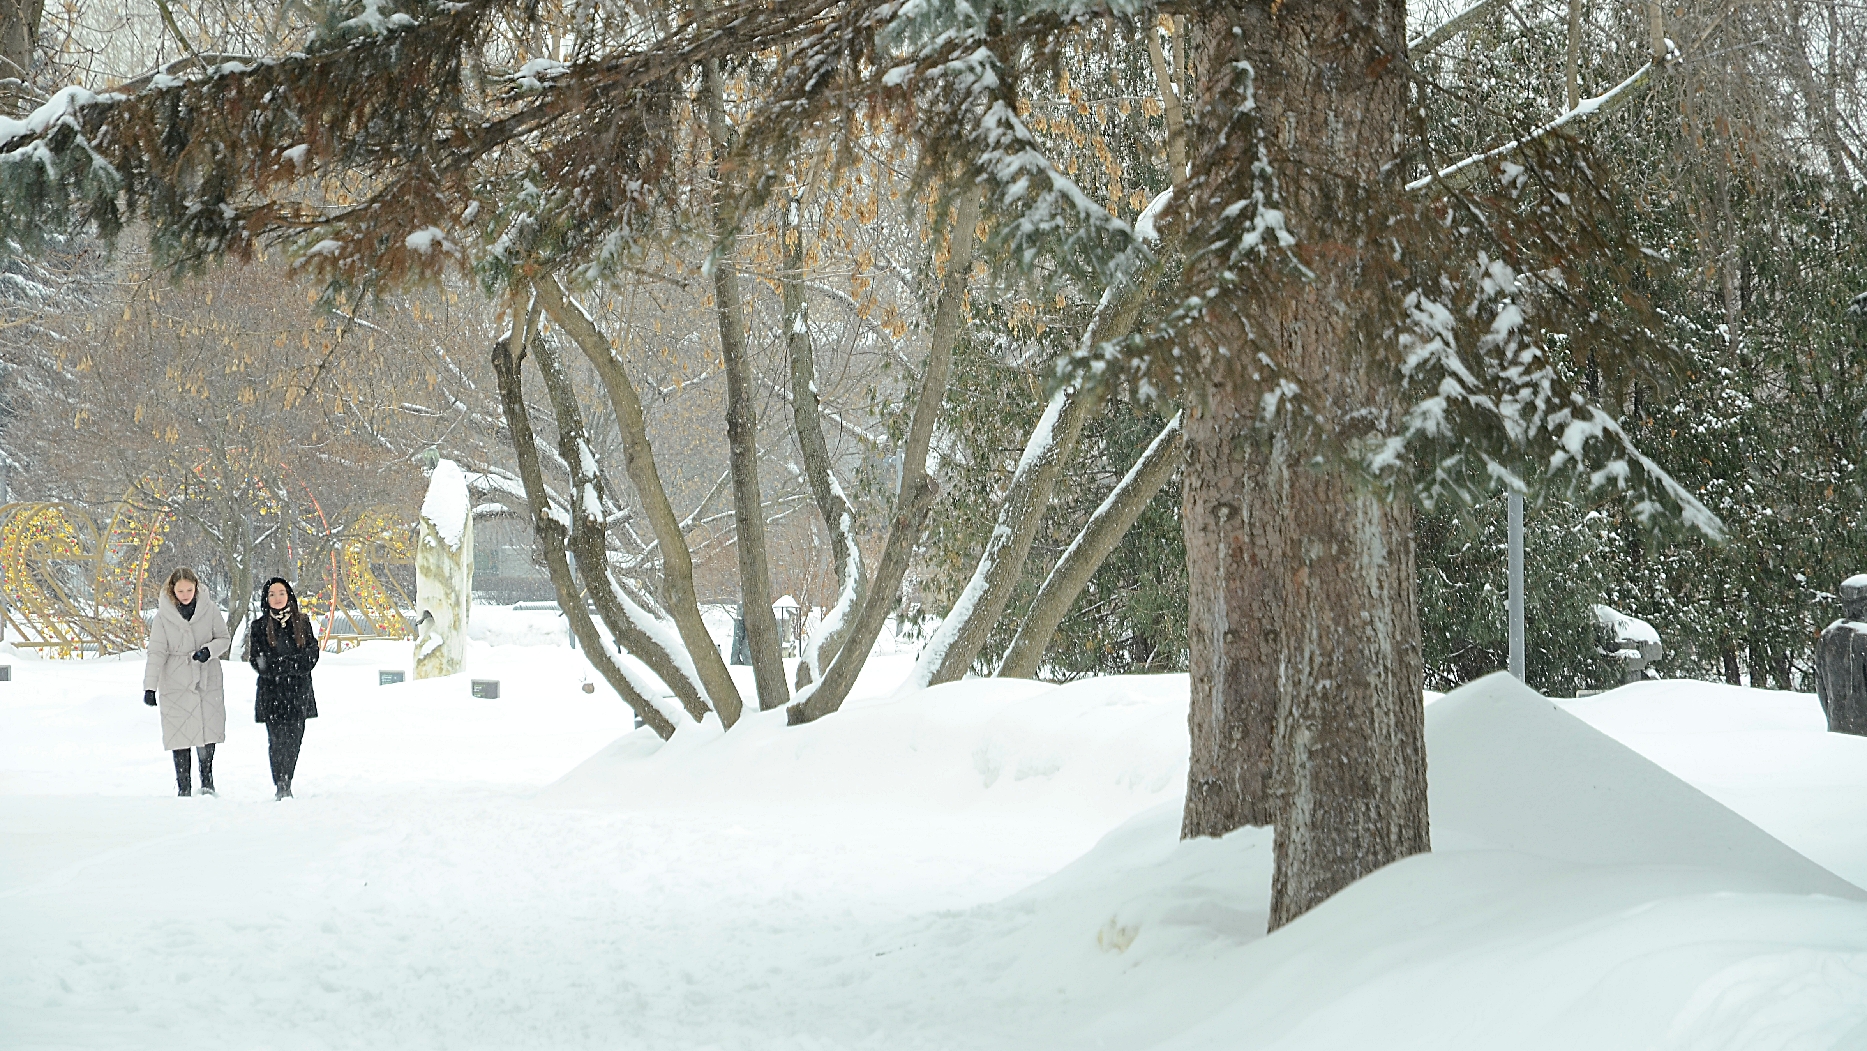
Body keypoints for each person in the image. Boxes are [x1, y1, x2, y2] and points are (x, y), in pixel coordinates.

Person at [142, 568, 231, 797]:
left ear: (196, 587)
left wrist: (208, 651)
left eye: (189, 590)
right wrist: (150, 687)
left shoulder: (210, 610)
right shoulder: (163, 617)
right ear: (172, 590)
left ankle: (208, 783)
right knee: (180, 734)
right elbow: (157, 652)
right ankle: (184, 788)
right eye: (180, 590)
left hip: (206, 677)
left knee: (206, 731)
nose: (185, 594)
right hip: (175, 680)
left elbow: (224, 639)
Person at [246, 577, 321, 800]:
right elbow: (257, 660)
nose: (277, 598)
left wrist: (292, 665)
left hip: (298, 693)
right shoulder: (259, 626)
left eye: (281, 593)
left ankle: (288, 776)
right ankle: (281, 783)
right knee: (277, 740)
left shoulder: (303, 622)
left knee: (294, 740)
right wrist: (280, 667)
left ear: (288, 595)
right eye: (272, 594)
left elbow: (311, 653)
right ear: (266, 599)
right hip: (272, 694)